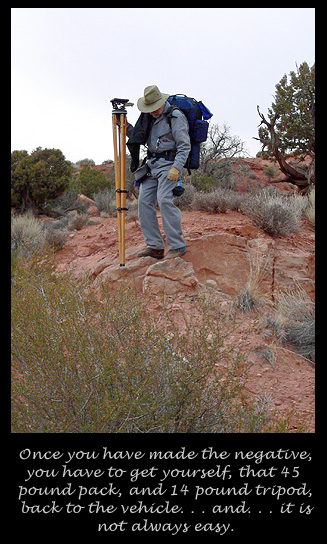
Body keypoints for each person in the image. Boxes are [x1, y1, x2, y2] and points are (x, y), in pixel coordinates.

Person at [126, 85, 191, 259]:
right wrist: (125, 127)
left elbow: (184, 145)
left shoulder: (175, 117)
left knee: (164, 200)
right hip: (152, 164)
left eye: (154, 108)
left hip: (170, 164)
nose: (152, 111)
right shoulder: (148, 117)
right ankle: (155, 246)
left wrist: (176, 167)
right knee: (144, 203)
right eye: (150, 108)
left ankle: (177, 247)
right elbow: (139, 137)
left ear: (161, 103)